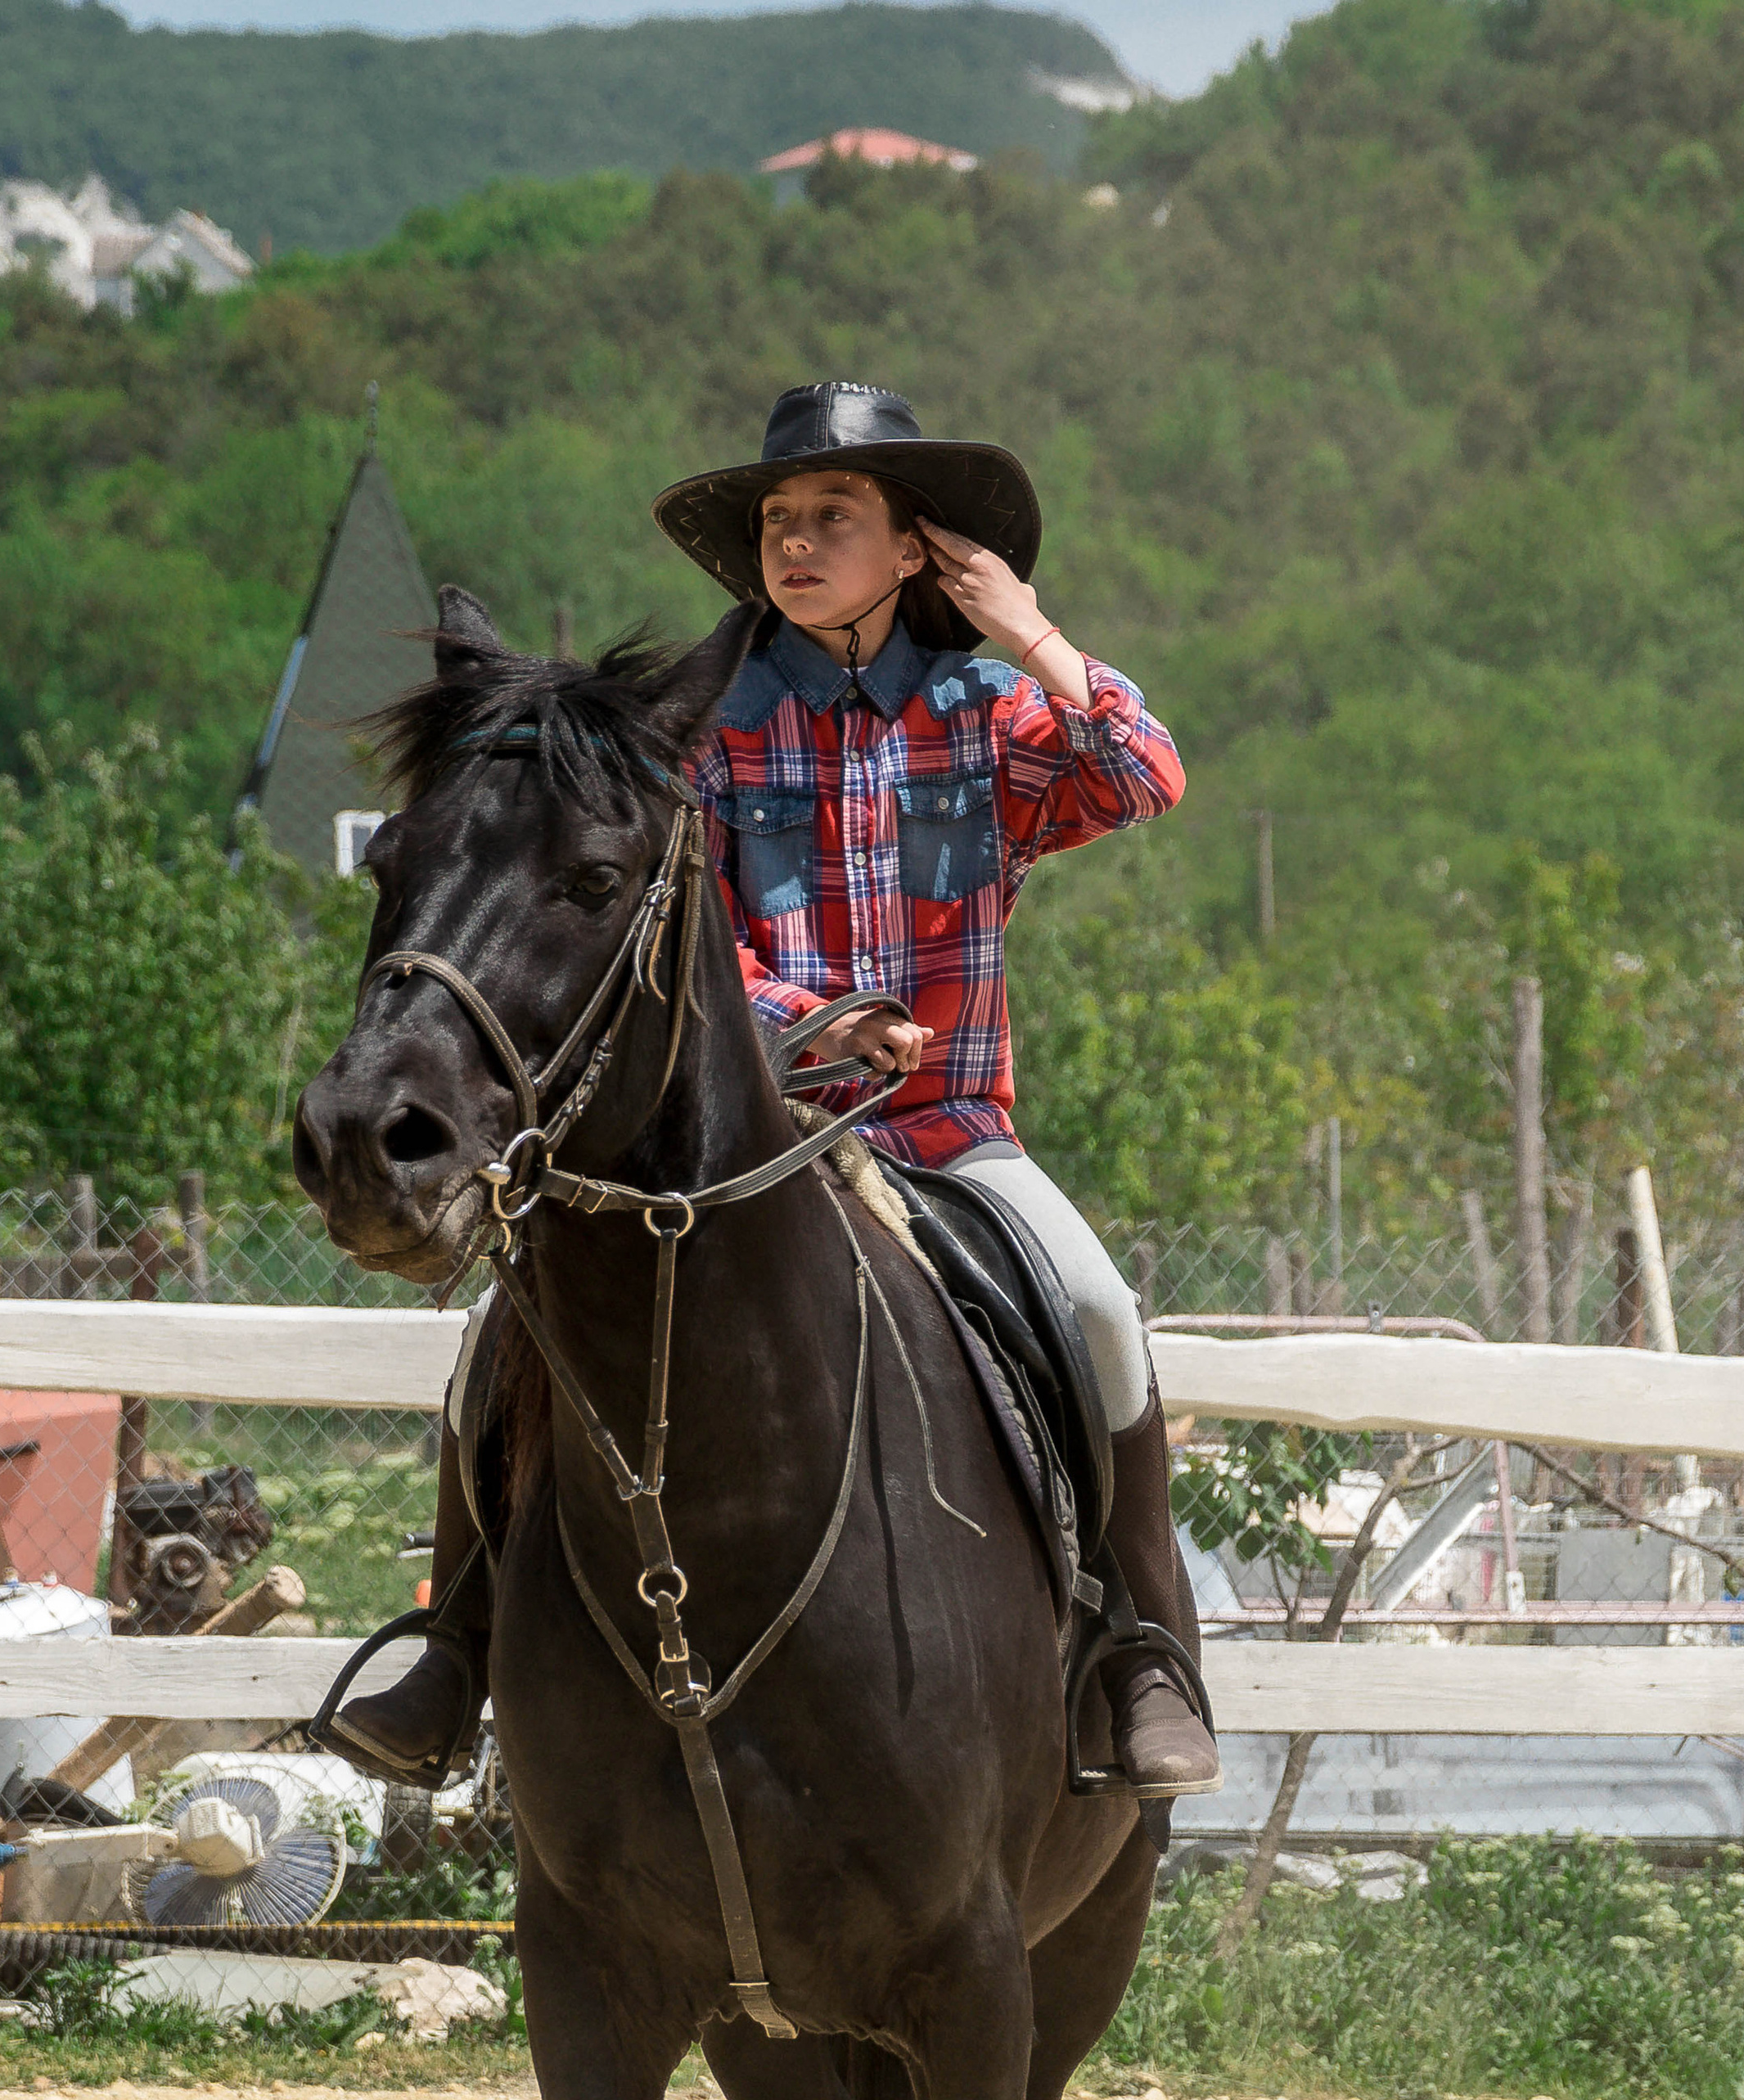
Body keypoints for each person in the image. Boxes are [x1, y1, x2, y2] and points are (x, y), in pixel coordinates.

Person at [331, 381, 1218, 1800]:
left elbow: (1145, 774)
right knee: (497, 1337)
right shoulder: (708, 729)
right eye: (779, 522)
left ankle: (1142, 1656)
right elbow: (676, 940)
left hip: (948, 1140)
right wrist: (818, 1018)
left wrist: (1031, 633)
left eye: (833, 518)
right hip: (737, 1140)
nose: (794, 543)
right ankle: (457, 1647)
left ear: (914, 546)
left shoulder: (987, 712)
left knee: (1101, 1312)